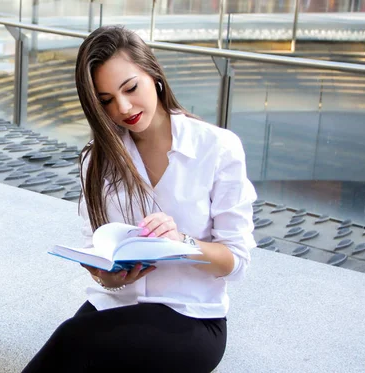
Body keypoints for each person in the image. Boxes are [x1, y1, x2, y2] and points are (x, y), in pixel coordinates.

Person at [22, 25, 256, 373]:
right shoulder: (95, 160)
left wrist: (182, 243)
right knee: (73, 342)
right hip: (115, 306)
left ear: (154, 74)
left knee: (73, 340)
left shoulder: (217, 147)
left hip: (190, 316)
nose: (123, 108)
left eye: (130, 88)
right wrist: (109, 277)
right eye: (106, 100)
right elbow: (98, 259)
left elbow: (236, 261)